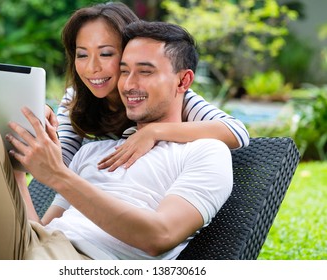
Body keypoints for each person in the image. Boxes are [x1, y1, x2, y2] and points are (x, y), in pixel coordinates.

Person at [0, 20, 233, 260]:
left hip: (81, 263)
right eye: (124, 71)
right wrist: (15, 169)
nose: (129, 84)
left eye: (145, 72)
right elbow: (42, 230)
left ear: (183, 81)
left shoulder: (206, 151)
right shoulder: (93, 150)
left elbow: (159, 237)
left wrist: (58, 175)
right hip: (37, 246)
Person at [55, 2, 249, 173]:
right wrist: (42, 128)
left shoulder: (171, 97)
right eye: (82, 55)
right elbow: (59, 163)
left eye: (106, 54)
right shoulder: (76, 98)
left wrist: (153, 131)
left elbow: (236, 131)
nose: (92, 68)